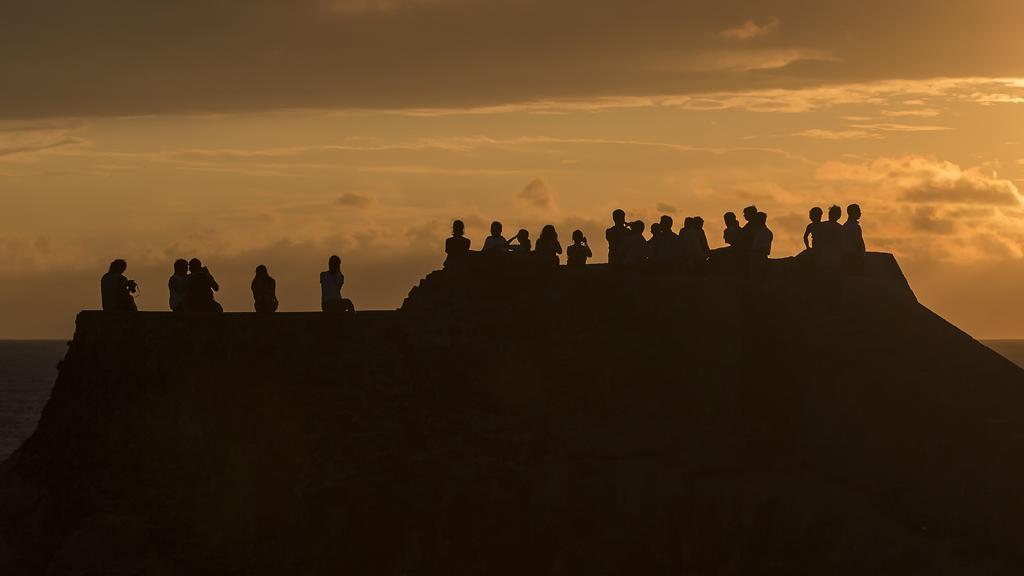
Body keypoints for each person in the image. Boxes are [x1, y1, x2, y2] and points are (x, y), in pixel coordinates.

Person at [814, 205, 845, 270]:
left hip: (822, 258)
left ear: (829, 214)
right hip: (835, 260)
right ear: (839, 216)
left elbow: (815, 241)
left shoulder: (821, 226)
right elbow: (842, 244)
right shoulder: (840, 228)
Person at [843, 203, 866, 273]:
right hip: (853, 257)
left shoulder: (846, 226)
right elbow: (858, 242)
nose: (860, 213)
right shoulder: (854, 226)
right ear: (853, 213)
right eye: (858, 211)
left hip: (849, 255)